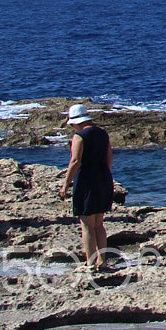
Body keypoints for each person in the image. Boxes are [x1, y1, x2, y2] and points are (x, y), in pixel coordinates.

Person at [58, 103, 115, 270]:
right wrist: (104, 174)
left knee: (87, 225)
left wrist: (65, 185)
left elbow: (75, 161)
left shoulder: (80, 136)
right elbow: (109, 156)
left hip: (86, 182)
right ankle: (102, 260)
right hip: (103, 179)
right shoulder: (103, 134)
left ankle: (90, 262)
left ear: (76, 122)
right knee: (99, 223)